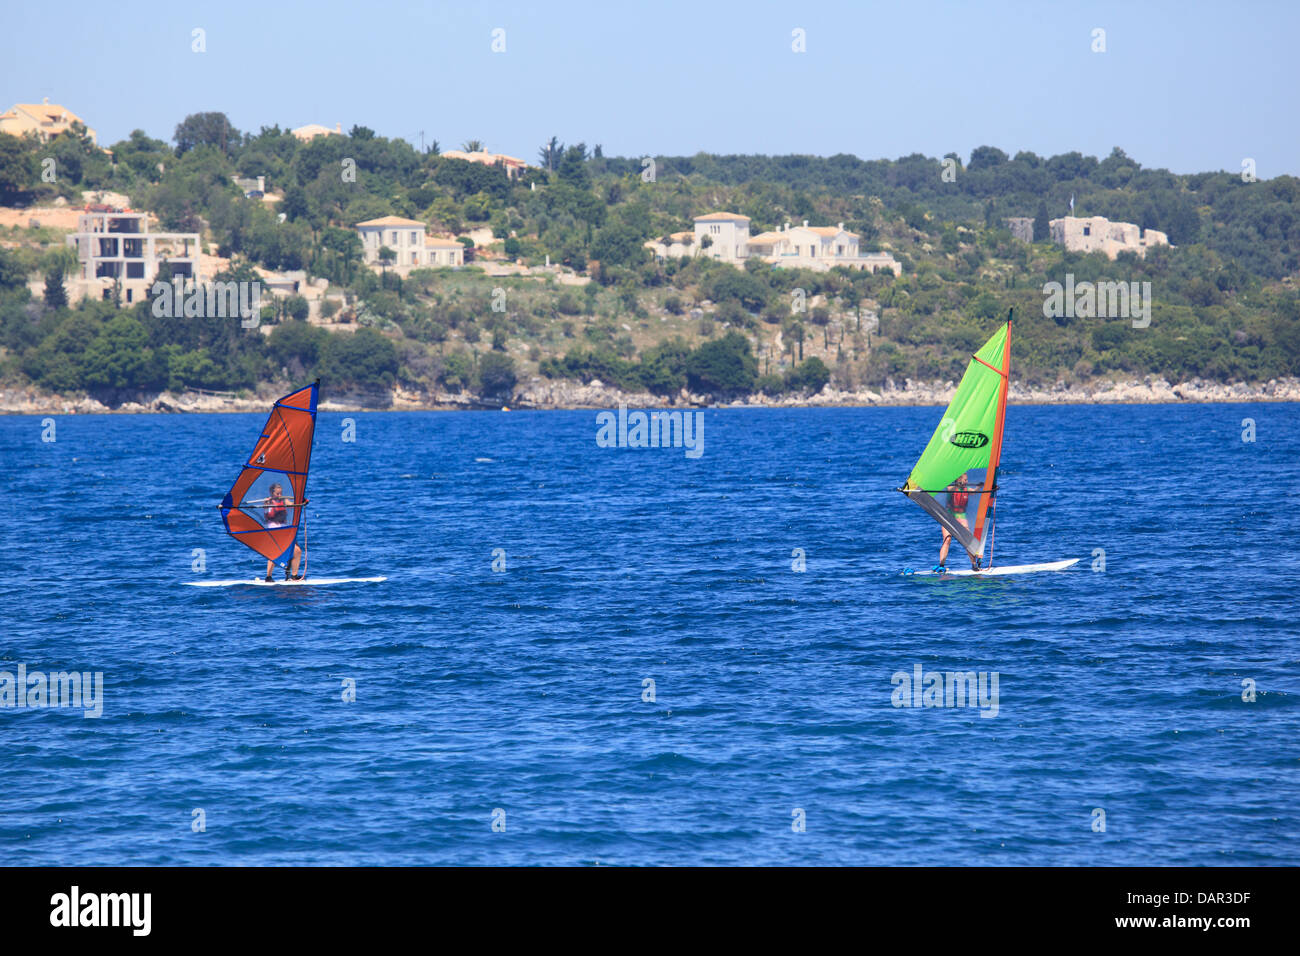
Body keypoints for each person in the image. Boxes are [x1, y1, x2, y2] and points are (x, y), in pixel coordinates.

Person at [937, 472, 981, 572]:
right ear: (958, 480)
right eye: (965, 480)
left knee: (967, 540)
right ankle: (941, 565)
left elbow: (974, 491)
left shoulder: (966, 489)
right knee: (947, 539)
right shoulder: (951, 488)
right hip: (948, 517)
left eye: (967, 480)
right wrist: (957, 485)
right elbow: (949, 489)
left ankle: (974, 564)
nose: (967, 482)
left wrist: (981, 486)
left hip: (961, 517)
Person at [260, 483, 303, 581]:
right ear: (272, 493)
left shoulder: (284, 500)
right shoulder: (268, 502)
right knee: (275, 552)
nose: (279, 495)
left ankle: (294, 576)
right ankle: (268, 577)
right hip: (274, 528)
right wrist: (266, 502)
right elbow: (265, 507)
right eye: (277, 493)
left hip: (285, 529)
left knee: (297, 551)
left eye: (281, 493)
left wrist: (301, 501)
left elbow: (293, 505)